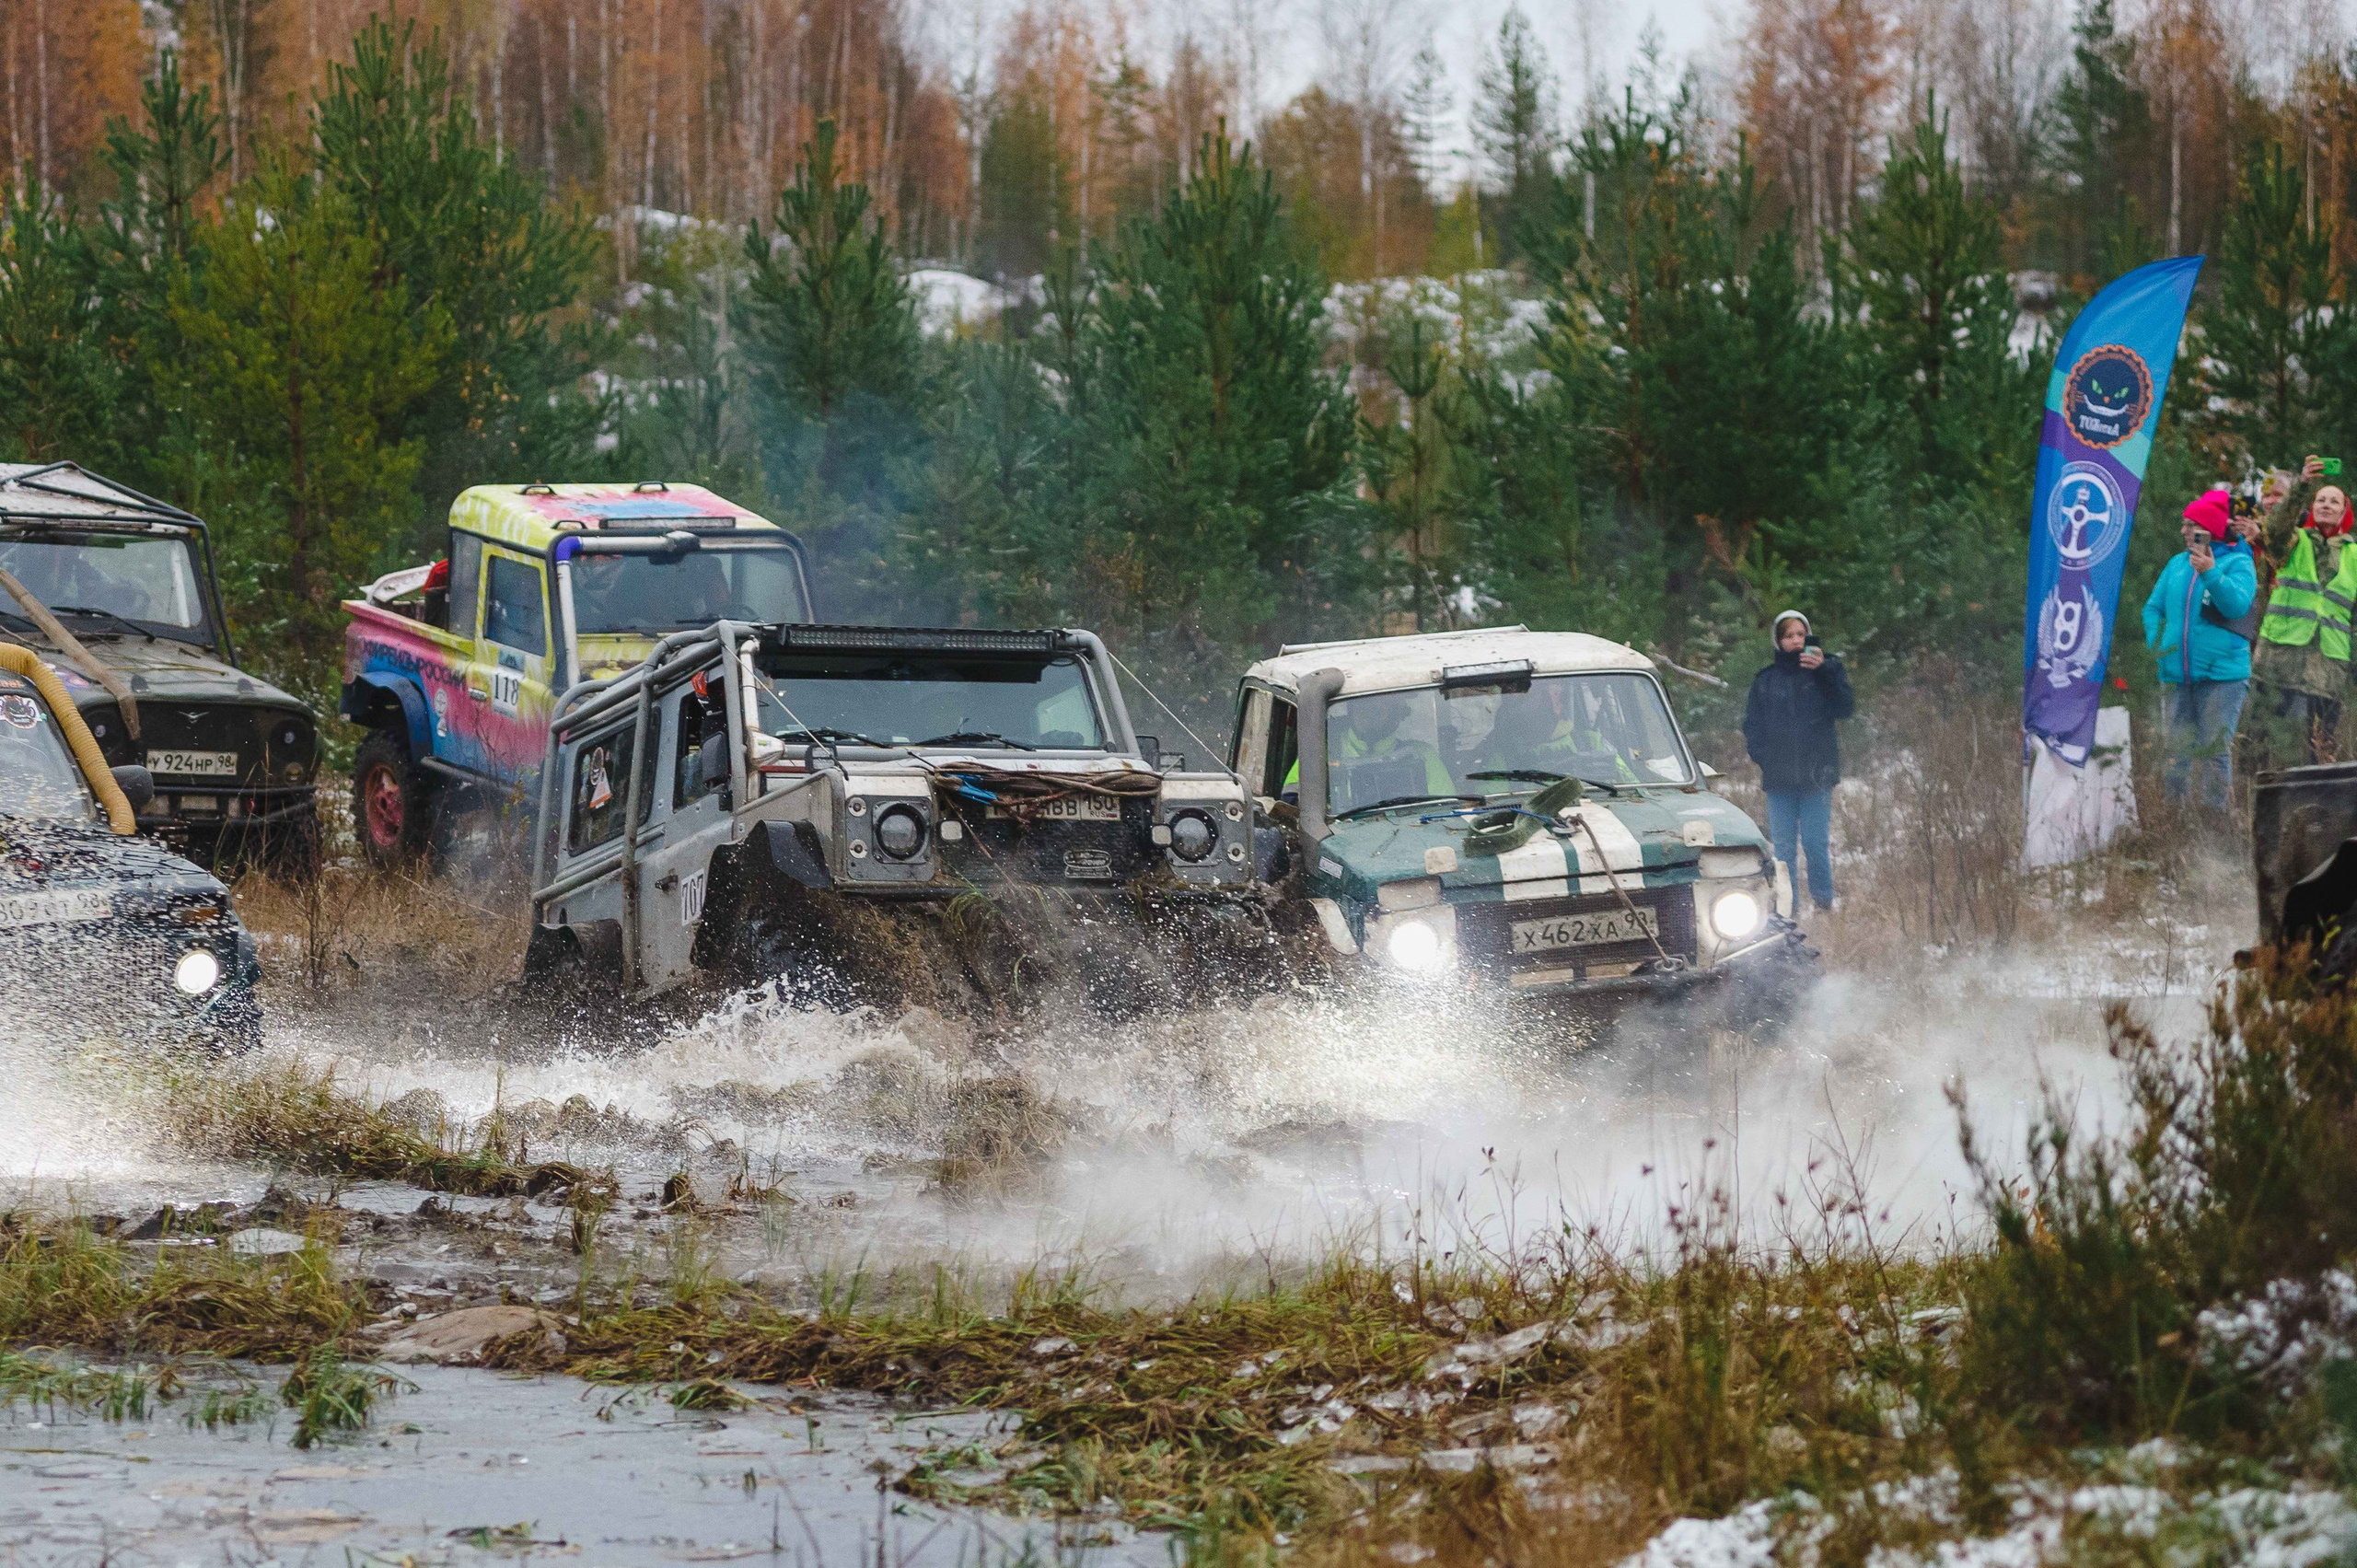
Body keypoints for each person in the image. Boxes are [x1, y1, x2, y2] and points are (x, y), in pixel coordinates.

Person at [2143, 489, 2258, 808]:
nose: (2183, 531)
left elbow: (2236, 606)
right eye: (2183, 524)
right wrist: (2158, 643)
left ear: (2208, 528)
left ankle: (2214, 823)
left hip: (2223, 677)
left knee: (2214, 750)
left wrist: (2210, 572)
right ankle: (2173, 820)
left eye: (2190, 524)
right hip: (2176, 674)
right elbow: (2152, 608)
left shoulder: (2239, 562)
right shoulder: (2176, 564)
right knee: (2176, 751)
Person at [1742, 610, 1853, 914]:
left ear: (1809, 637)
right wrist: (1764, 758)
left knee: (1816, 845)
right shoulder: (1766, 681)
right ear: (1778, 641)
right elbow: (1753, 725)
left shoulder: (1826, 671)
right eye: (1789, 635)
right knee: (1784, 849)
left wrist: (1824, 671)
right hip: (1779, 779)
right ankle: (1787, 908)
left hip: (1817, 775)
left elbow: (1845, 708)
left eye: (1801, 634)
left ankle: (1823, 903)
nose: (1795, 640)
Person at [2247, 455, 2353, 766]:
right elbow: (2275, 529)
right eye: (2320, 499)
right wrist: (2302, 486)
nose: (2325, 505)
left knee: (2318, 757)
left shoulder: (2355, 556)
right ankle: (2256, 812)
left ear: (2345, 512)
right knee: (2263, 752)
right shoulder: (2293, 541)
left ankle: (2314, 816)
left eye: (2334, 501)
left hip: (2328, 673)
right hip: (2279, 666)